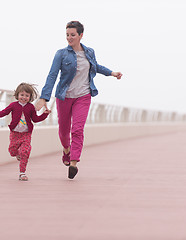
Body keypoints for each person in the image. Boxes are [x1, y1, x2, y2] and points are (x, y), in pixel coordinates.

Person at [35, 21, 122, 179]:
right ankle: (66, 151)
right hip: (64, 97)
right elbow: (52, 75)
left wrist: (112, 73)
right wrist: (43, 97)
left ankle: (73, 163)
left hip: (83, 96)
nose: (69, 38)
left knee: (77, 130)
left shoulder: (89, 52)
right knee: (63, 132)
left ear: (81, 35)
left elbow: (95, 66)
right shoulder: (61, 54)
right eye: (67, 35)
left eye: (73, 35)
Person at [0, 83, 50, 181]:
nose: (24, 97)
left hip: (26, 134)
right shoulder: (13, 105)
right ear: (17, 95)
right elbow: (3, 112)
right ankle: (17, 154)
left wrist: (44, 114)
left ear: (30, 97)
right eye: (22, 95)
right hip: (15, 133)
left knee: (24, 151)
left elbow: (35, 119)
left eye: (27, 95)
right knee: (12, 151)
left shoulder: (30, 107)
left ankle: (22, 173)